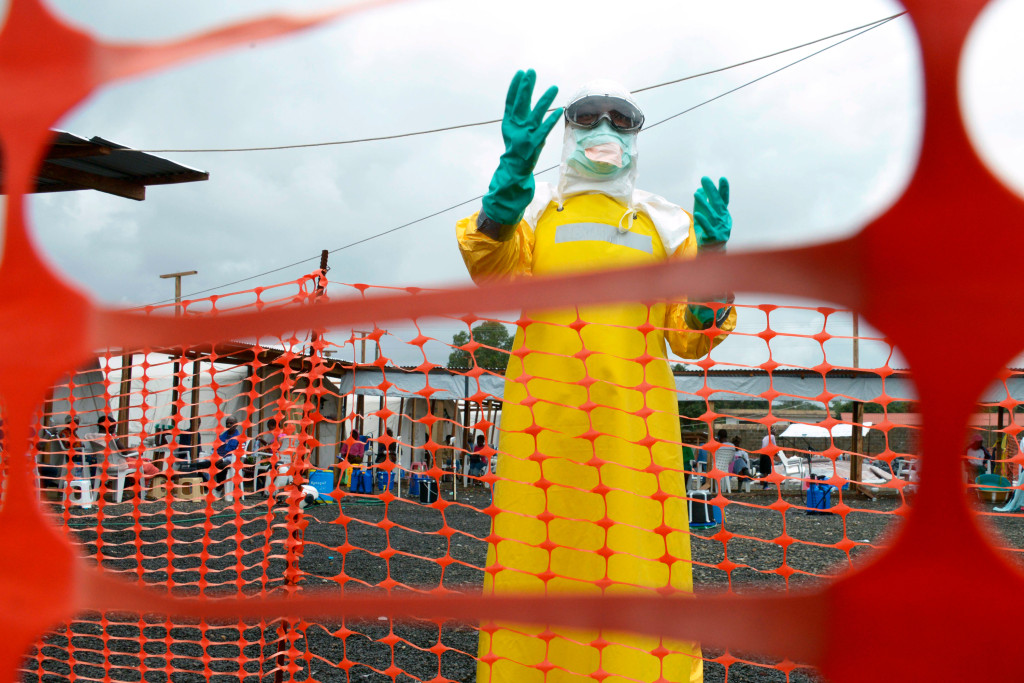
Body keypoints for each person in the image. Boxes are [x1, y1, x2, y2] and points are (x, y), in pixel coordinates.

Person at [456, 70, 735, 683]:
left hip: (635, 435)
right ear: (565, 135)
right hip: (544, 431)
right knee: (536, 554)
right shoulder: (539, 222)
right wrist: (507, 187)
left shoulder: (667, 229)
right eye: (586, 119)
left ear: (638, 138)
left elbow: (692, 336)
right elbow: (493, 270)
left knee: (637, 556)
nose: (604, 130)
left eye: (621, 120)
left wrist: (711, 263)